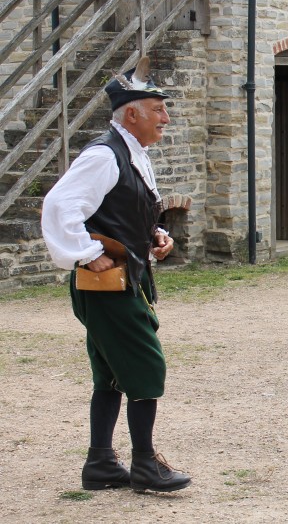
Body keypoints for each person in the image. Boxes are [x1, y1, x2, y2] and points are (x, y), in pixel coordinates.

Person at [41, 57, 191, 493]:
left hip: (126, 278)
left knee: (110, 371)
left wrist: (156, 235)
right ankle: (145, 465)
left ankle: (102, 463)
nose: (165, 117)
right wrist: (87, 254)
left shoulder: (131, 154)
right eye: (157, 109)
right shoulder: (105, 155)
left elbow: (121, 211)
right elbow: (59, 206)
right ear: (131, 114)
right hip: (108, 285)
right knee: (146, 366)